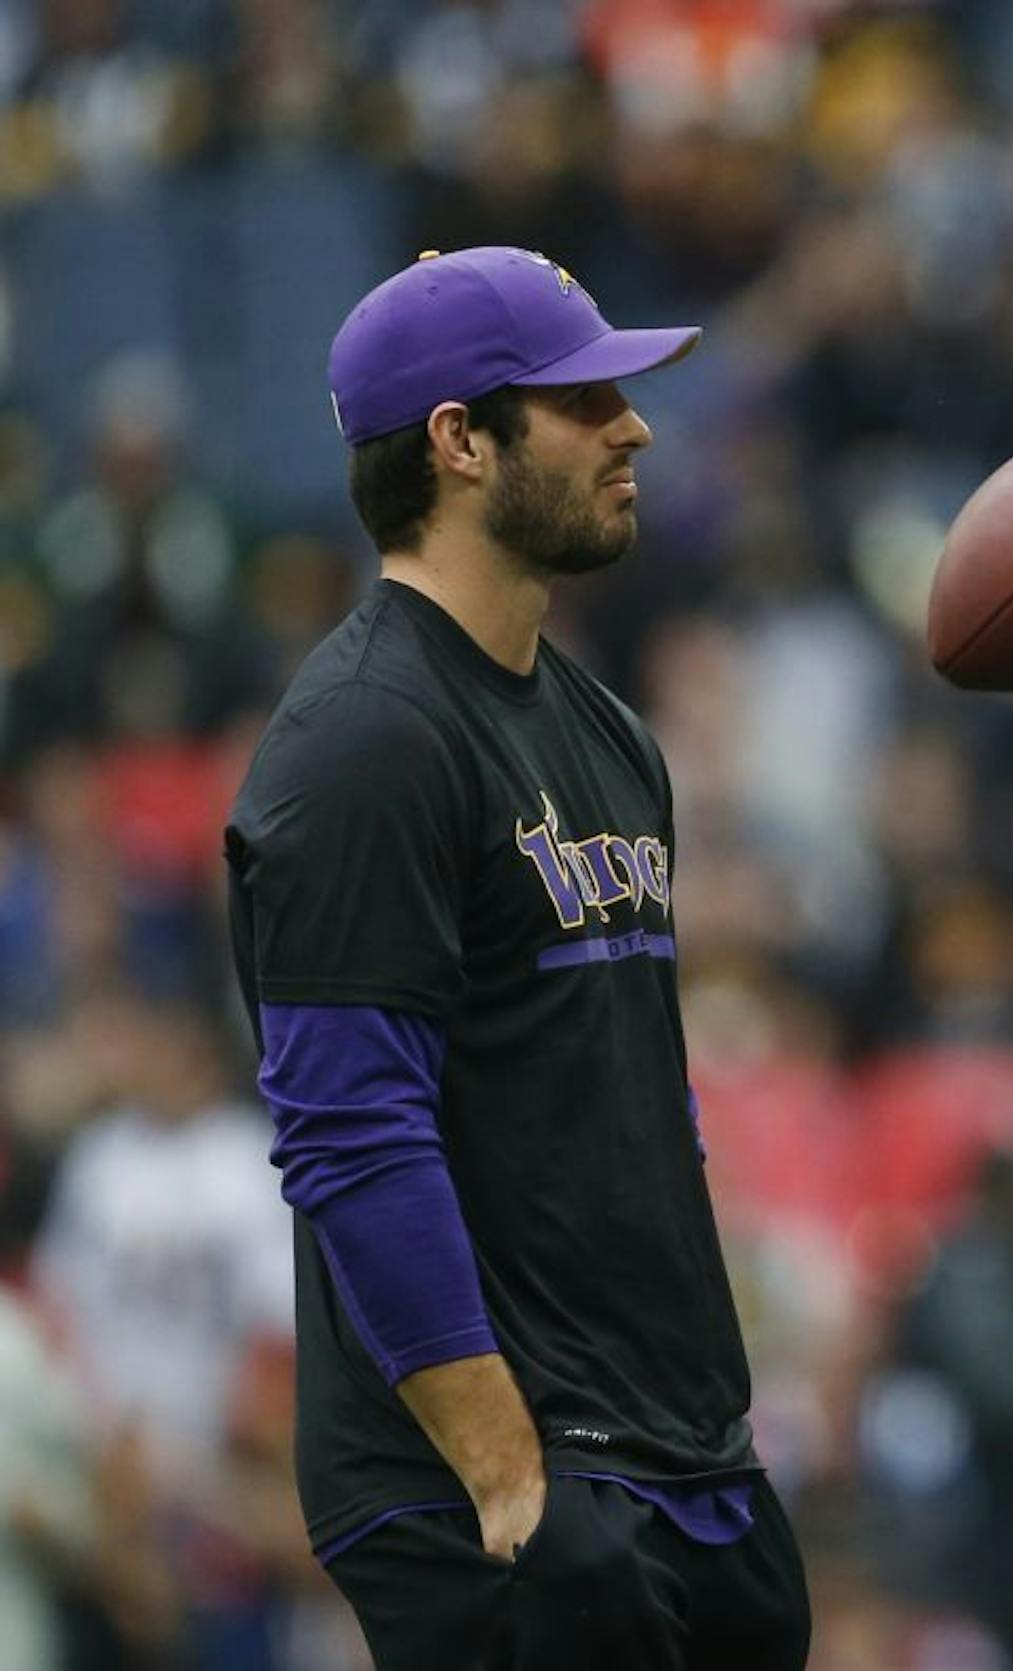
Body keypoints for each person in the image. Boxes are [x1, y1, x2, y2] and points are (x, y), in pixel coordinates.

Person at [223, 247, 811, 1670]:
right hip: (501, 1481)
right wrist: (506, 1478)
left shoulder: (600, 728)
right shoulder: (363, 742)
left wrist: (714, 1427)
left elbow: (630, 1098)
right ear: (458, 442)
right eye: (585, 398)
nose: (635, 427)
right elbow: (352, 1134)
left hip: (677, 1453)